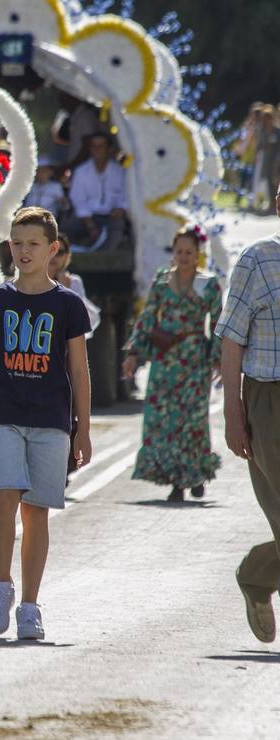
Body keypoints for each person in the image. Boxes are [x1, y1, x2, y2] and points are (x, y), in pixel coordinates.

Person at [0, 206, 92, 641]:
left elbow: (79, 370)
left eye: (33, 243)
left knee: (35, 512)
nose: (24, 251)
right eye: (17, 242)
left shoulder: (68, 305)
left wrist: (83, 429)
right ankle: (1, 586)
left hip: (51, 421)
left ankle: (30, 606)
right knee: (4, 496)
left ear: (53, 249)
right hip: (4, 417)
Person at [217, 190, 280, 644]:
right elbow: (232, 340)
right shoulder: (257, 260)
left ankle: (258, 574)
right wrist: (233, 414)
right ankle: (257, 577)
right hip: (269, 399)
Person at [122, 225, 222, 501]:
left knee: (192, 420)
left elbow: (218, 324)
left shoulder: (208, 284)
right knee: (163, 419)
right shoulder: (162, 281)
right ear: (173, 253)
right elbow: (147, 318)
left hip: (194, 360)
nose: (184, 256)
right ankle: (175, 481)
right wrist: (133, 352)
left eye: (189, 252)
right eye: (179, 251)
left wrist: (218, 359)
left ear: (198, 253)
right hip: (165, 360)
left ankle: (195, 472)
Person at [66, 130, 128, 250]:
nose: (97, 150)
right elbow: (78, 200)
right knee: (66, 228)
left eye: (101, 146)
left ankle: (107, 255)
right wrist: (90, 225)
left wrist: (121, 209)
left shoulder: (120, 171)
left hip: (112, 216)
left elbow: (127, 197)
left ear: (109, 149)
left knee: (118, 227)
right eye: (93, 146)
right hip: (88, 217)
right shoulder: (81, 172)